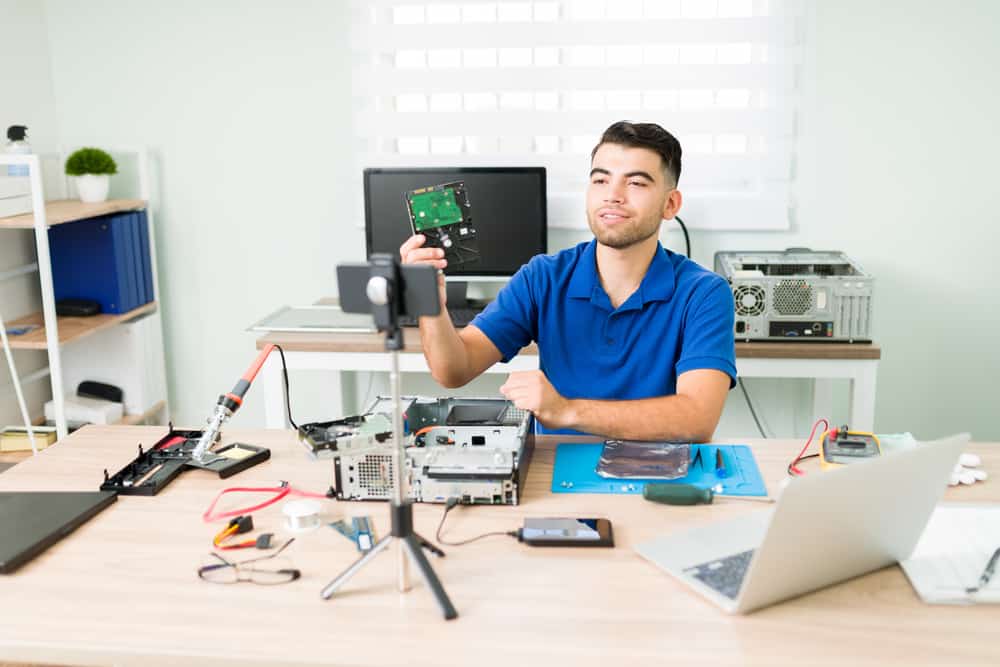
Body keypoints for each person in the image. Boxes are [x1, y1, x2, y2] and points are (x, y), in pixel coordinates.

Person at [399, 121, 736, 441]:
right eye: (601, 180)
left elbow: (697, 418)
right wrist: (429, 302)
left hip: (661, 478)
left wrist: (567, 411)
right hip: (555, 476)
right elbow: (453, 370)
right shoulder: (542, 277)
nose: (613, 195)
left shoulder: (704, 293)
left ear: (670, 204)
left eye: (635, 183)